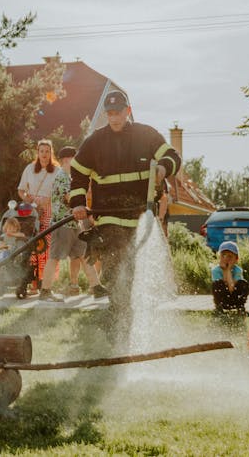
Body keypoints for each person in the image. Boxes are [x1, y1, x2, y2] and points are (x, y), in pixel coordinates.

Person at [69, 90, 181, 327]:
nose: (114, 118)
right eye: (109, 113)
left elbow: (171, 155)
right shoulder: (95, 142)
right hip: (109, 219)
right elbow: (78, 172)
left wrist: (163, 168)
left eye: (118, 112)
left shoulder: (145, 135)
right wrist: (78, 203)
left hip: (141, 220)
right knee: (115, 269)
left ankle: (131, 320)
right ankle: (119, 320)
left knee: (135, 272)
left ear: (127, 111)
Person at [39, 146, 108, 301]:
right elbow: (68, 198)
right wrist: (84, 205)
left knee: (84, 255)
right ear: (66, 160)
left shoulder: (69, 177)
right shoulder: (62, 176)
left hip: (74, 224)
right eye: (75, 159)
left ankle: (96, 287)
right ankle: (45, 291)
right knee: (55, 257)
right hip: (62, 224)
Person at [18, 139, 58, 293]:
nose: (44, 154)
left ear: (51, 152)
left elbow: (61, 192)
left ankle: (45, 283)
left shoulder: (57, 171)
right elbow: (21, 190)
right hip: (31, 212)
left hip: (48, 210)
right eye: (41, 151)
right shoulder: (29, 169)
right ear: (38, 152)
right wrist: (29, 199)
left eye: (47, 151)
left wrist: (49, 200)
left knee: (47, 246)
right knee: (31, 245)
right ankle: (31, 281)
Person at [211, 241, 249, 312]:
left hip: (235, 299)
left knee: (243, 283)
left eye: (230, 256)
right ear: (219, 257)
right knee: (217, 283)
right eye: (223, 255)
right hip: (223, 300)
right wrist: (225, 271)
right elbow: (223, 285)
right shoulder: (216, 270)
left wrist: (228, 270)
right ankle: (219, 307)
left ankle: (240, 306)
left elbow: (231, 288)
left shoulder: (238, 270)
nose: (226, 258)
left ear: (236, 259)